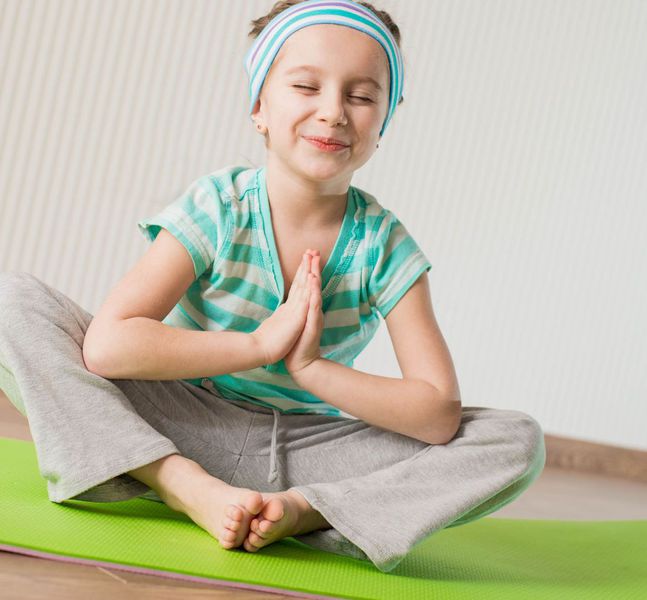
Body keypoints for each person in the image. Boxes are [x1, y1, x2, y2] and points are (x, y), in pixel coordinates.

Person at [0, 0, 546, 574]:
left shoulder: (384, 244)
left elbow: (436, 414)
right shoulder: (220, 206)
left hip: (310, 453)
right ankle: (183, 485)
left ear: (383, 122)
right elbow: (110, 348)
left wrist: (310, 369)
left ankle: (307, 511)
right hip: (184, 422)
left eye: (361, 97)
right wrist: (258, 345)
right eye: (306, 87)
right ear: (260, 106)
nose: (333, 112)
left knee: (514, 440)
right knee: (13, 303)